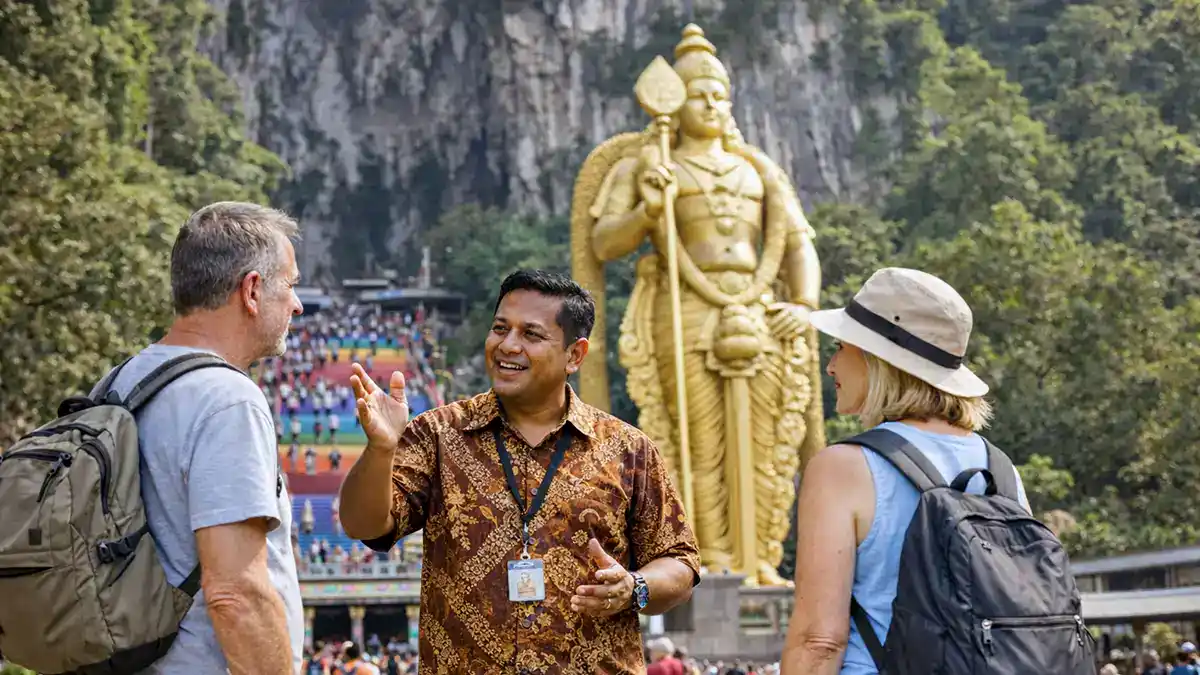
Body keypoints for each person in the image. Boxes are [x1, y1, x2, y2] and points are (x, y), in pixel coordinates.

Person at [338, 269, 701, 673]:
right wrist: (381, 448)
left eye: (531, 335)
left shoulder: (628, 449)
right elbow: (364, 525)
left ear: (575, 355)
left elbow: (680, 563)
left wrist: (634, 587)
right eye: (500, 329)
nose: (508, 345)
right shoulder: (438, 434)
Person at [780, 267, 1029, 675]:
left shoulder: (842, 467)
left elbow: (820, 641)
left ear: (878, 360)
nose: (830, 366)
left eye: (841, 347)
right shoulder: (999, 468)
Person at [90, 202, 305, 674]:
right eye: (289, 285)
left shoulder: (117, 383)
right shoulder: (228, 399)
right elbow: (235, 594)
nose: (296, 304)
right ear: (252, 290)